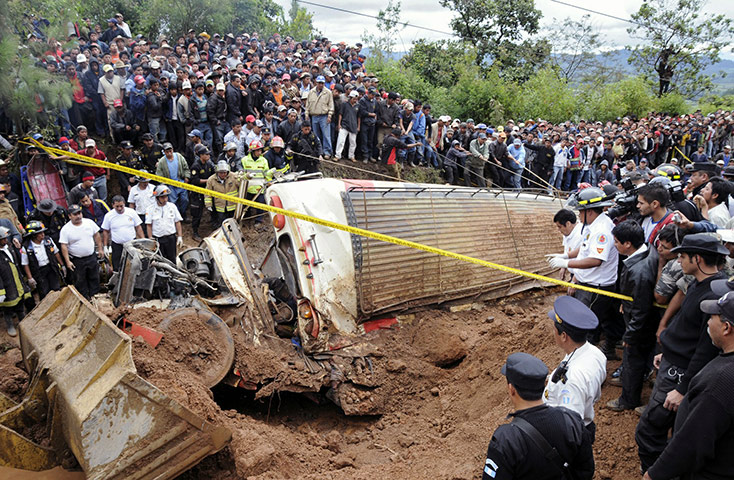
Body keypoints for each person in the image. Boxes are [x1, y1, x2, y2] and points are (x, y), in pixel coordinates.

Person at [635, 233, 728, 472]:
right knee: (672, 426)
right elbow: (686, 328)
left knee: (648, 430)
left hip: (679, 375)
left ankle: (658, 472)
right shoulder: (699, 283)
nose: (678, 261)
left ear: (697, 259)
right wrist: (668, 351)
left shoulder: (713, 295)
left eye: (683, 256)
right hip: (673, 364)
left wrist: (682, 389)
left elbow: (704, 350)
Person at [643, 288, 734, 480]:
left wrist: (654, 474)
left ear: (726, 328)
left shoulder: (721, 380)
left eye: (713, 317)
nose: (707, 322)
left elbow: (692, 442)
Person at [482, 352, 594, 480]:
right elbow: (586, 470)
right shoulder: (571, 420)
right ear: (544, 385)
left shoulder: (506, 439)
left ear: (511, 389)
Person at [548, 187, 621, 359]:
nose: (578, 216)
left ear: (589, 211)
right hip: (586, 283)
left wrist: (566, 263)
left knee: (583, 328)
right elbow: (585, 249)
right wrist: (566, 255)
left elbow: (596, 260)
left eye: (580, 211)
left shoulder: (601, 230)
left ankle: (584, 360)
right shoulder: (591, 226)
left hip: (595, 286)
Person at [606, 220, 659, 412]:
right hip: (645, 319)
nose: (614, 245)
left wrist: (630, 335)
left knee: (632, 359)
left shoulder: (639, 272)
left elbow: (641, 309)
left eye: (616, 241)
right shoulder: (647, 251)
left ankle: (628, 400)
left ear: (628, 244)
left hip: (640, 325)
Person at [543, 296, 606, 441]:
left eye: (555, 330)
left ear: (564, 336)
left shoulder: (573, 379)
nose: (554, 333)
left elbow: (569, 427)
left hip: (565, 436)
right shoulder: (595, 353)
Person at [58, 204, 103, 299]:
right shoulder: (66, 229)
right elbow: (64, 246)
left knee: (94, 278)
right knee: (80, 281)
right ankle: (85, 300)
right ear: (69, 216)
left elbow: (97, 235)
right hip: (77, 260)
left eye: (79, 213)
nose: (78, 216)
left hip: (91, 257)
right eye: (75, 214)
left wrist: (100, 249)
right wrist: (67, 261)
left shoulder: (89, 223)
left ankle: (95, 298)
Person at [21, 220, 64, 299]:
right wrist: (30, 278)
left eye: (43, 232)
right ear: (33, 235)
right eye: (40, 233)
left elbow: (56, 253)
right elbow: (25, 264)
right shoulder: (27, 247)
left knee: (56, 289)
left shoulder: (48, 240)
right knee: (44, 292)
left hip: (51, 268)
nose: (43, 235)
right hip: (39, 272)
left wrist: (62, 265)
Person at [101, 195, 144, 271]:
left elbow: (138, 227)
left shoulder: (131, 212)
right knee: (117, 266)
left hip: (132, 244)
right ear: (113, 205)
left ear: (124, 204)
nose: (119, 208)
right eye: (117, 206)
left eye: (121, 206)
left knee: (134, 265)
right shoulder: (109, 216)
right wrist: (105, 246)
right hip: (117, 245)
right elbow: (106, 231)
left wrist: (143, 240)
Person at [145, 185, 183, 264]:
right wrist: (150, 238)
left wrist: (180, 236)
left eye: (166, 197)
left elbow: (177, 222)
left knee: (172, 259)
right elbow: (149, 225)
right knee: (159, 260)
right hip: (158, 240)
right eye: (162, 197)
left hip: (170, 238)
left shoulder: (172, 207)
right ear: (157, 198)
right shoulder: (150, 209)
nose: (165, 199)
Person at [155, 142, 190, 221]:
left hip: (180, 182)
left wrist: (187, 177)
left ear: (172, 150)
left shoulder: (179, 156)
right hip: (170, 185)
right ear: (164, 152)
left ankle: (183, 214)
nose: (169, 153)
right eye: (167, 151)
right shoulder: (162, 161)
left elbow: (186, 168)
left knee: (185, 200)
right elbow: (159, 175)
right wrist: (164, 184)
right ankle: (176, 217)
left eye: (170, 151)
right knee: (173, 202)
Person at [190, 145, 216, 240]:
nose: (208, 156)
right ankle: (195, 232)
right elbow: (195, 180)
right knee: (197, 213)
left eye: (208, 154)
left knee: (213, 209)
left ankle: (215, 226)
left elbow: (214, 173)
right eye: (206, 154)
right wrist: (208, 180)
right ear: (201, 155)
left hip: (208, 191)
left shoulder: (209, 164)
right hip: (198, 193)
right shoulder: (195, 166)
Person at [305, 75, 334, 159]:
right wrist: (307, 114)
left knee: (326, 135)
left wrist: (330, 115)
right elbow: (308, 105)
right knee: (316, 135)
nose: (320, 85)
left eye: (322, 83)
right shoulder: (311, 92)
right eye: (319, 83)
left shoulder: (328, 92)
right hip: (314, 116)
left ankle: (327, 152)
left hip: (324, 115)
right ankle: (318, 151)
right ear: (316, 83)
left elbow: (331, 105)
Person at [205, 161, 240, 226]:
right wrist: (208, 204)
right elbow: (207, 193)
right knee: (222, 223)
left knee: (233, 223)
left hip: (233, 205)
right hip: (220, 206)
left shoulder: (234, 177)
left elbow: (242, 185)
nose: (223, 174)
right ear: (217, 172)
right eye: (221, 173)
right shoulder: (211, 180)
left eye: (225, 172)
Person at [551, 209, 583, 281]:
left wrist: (574, 281)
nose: (558, 230)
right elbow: (567, 250)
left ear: (568, 224)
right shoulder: (567, 234)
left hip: (581, 276)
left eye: (559, 227)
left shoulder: (581, 235)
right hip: (574, 273)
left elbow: (583, 259)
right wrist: (563, 267)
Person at [334, 90, 360, 162]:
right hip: (344, 125)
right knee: (341, 141)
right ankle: (337, 155)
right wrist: (339, 124)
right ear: (350, 98)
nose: (355, 100)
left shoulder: (358, 106)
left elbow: (359, 117)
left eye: (356, 99)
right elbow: (340, 114)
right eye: (354, 99)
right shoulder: (344, 104)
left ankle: (351, 156)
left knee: (353, 142)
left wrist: (358, 126)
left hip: (353, 126)